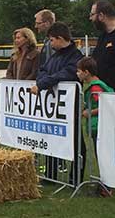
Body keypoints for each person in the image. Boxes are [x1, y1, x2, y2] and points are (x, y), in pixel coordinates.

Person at [32, 22, 85, 184]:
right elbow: (43, 70)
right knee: (52, 140)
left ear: (61, 39)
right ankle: (51, 175)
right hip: (53, 107)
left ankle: (75, 178)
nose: (50, 44)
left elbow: (67, 74)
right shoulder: (55, 56)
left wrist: (43, 83)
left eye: (52, 40)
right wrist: (43, 81)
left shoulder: (76, 57)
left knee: (77, 143)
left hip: (70, 107)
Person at [76, 56, 114, 196]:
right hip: (95, 125)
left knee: (102, 156)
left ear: (86, 72)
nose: (77, 74)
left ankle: (106, 187)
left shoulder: (96, 87)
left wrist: (89, 112)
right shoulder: (94, 86)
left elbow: (104, 104)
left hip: (98, 125)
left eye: (79, 71)